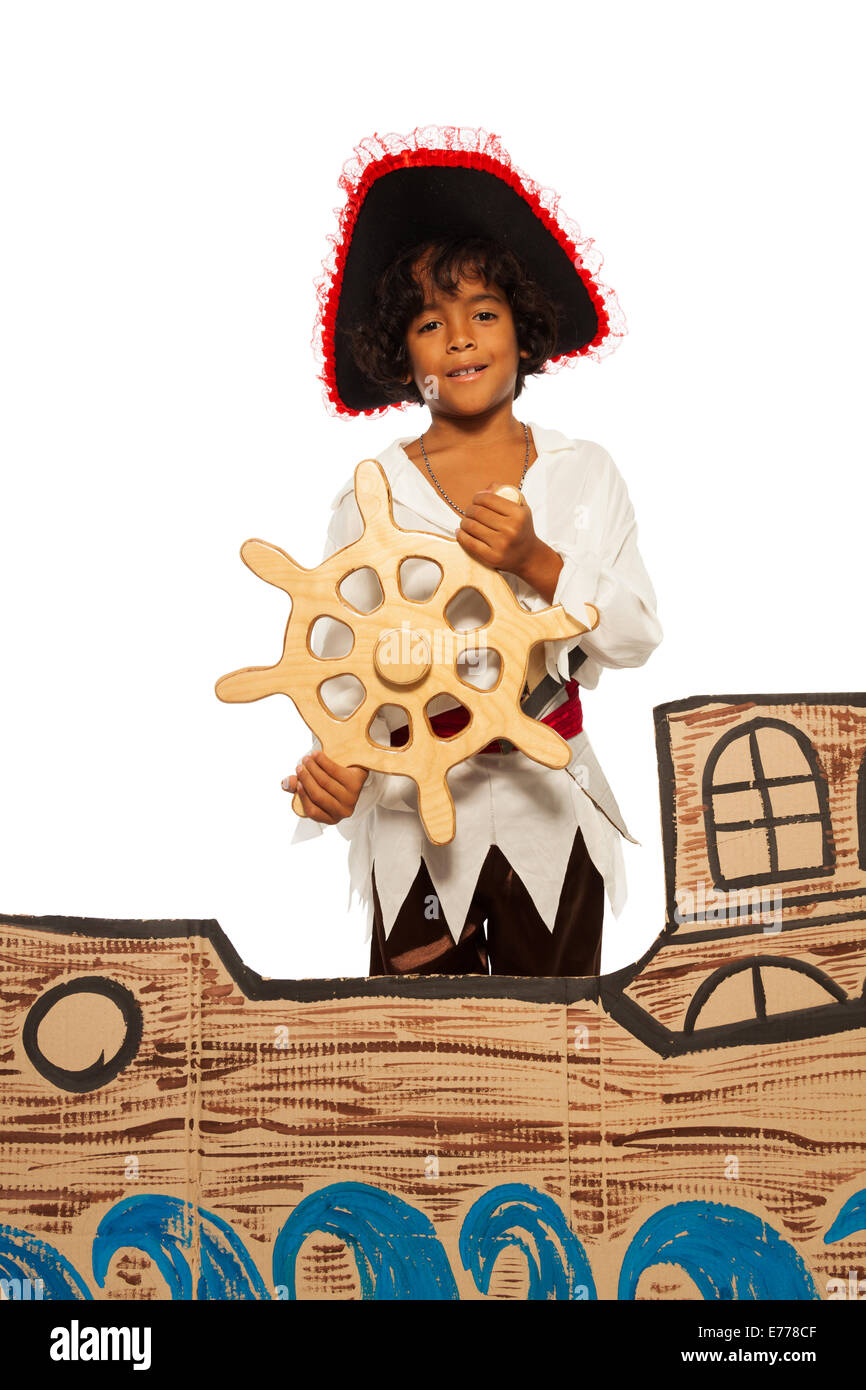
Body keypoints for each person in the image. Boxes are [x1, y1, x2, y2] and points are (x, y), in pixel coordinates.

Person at [282, 127, 662, 978]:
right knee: (421, 1071)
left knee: (559, 1062)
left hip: (553, 810)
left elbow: (635, 634)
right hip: (414, 820)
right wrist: (334, 777)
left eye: (483, 313)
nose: (460, 338)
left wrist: (541, 563)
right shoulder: (371, 497)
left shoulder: (583, 474)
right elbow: (342, 678)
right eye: (429, 322)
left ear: (523, 334)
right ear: (402, 355)